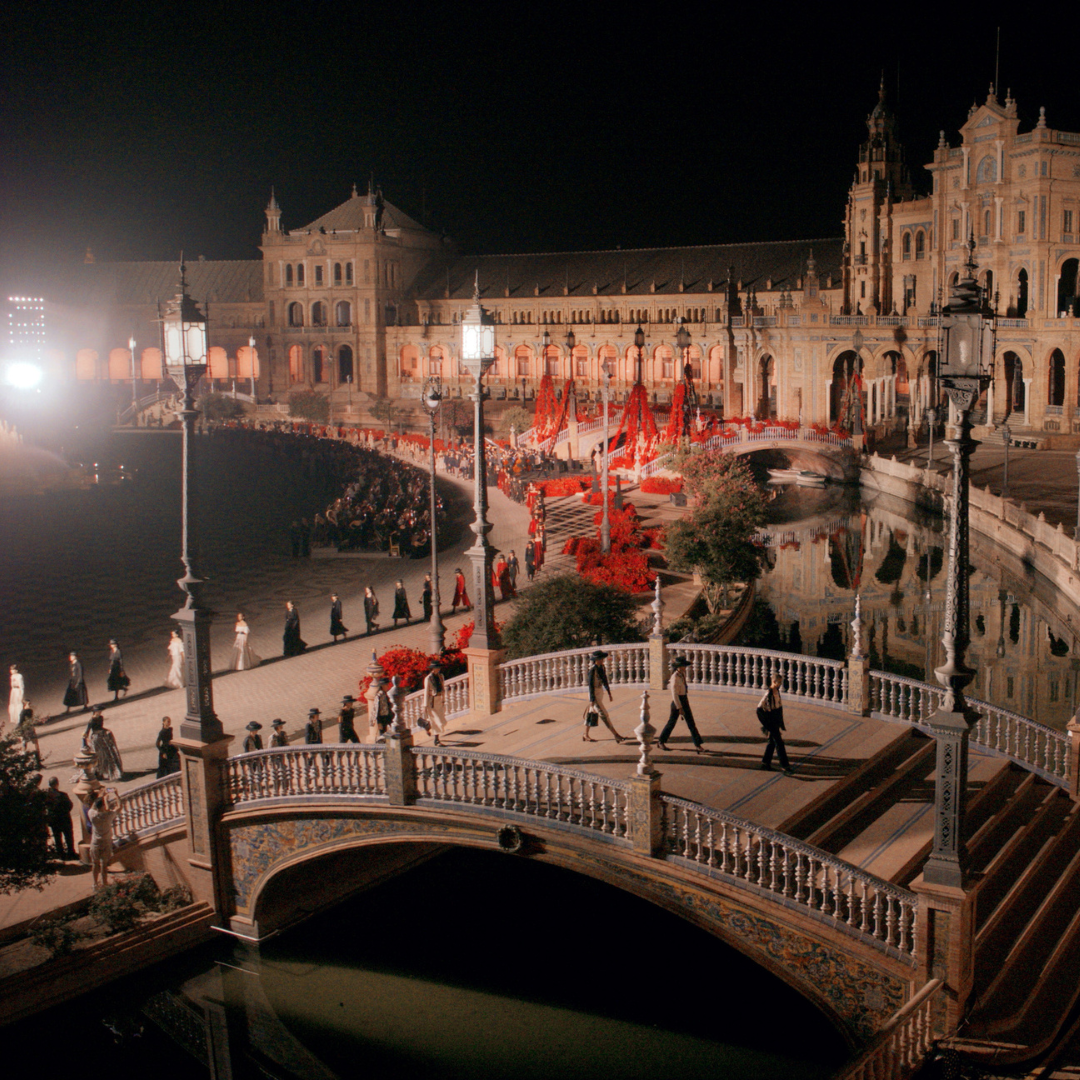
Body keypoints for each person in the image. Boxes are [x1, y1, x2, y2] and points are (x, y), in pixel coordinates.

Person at [657, 656, 705, 753]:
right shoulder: (675, 677)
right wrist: (680, 708)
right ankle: (661, 741)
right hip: (678, 702)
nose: (685, 667)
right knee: (671, 723)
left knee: (691, 723)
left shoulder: (682, 674)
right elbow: (674, 694)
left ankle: (698, 745)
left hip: (684, 699)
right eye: (683, 666)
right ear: (678, 667)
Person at [584, 650, 624, 743]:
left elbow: (604, 680)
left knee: (591, 713)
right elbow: (591, 686)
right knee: (604, 714)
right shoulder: (592, 670)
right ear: (596, 660)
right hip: (594, 695)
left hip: (599, 693)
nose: (602, 660)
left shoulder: (601, 667)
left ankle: (585, 734)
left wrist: (609, 692)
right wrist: (592, 699)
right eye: (600, 659)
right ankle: (616, 735)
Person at [758, 673, 794, 774]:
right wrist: (766, 724)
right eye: (779, 682)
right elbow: (759, 709)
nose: (780, 684)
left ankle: (765, 762)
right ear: (773, 682)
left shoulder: (776, 692)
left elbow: (779, 707)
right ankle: (785, 765)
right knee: (779, 743)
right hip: (771, 722)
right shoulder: (768, 694)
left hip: (776, 720)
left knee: (772, 742)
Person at [89, 788, 121, 888]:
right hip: (106, 842)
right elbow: (119, 807)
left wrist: (101, 796)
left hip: (95, 842)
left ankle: (95, 883)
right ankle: (105, 883)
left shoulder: (92, 815)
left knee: (95, 864)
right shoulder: (108, 816)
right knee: (104, 864)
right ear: (104, 806)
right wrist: (116, 794)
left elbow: (94, 806)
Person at [83, 707, 124, 780]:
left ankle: (108, 771)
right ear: (95, 712)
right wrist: (85, 741)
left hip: (102, 736)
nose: (100, 712)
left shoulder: (101, 718)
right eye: (98, 711)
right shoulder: (91, 720)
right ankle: (97, 772)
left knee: (107, 754)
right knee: (98, 756)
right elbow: (87, 732)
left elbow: (101, 727)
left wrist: (106, 730)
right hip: (96, 738)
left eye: (100, 711)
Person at [44, 777, 76, 861]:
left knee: (57, 837)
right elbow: (69, 806)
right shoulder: (63, 795)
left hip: (54, 820)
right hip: (64, 819)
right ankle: (71, 853)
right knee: (68, 837)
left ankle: (61, 854)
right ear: (57, 784)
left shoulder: (47, 796)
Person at [422, 659, 447, 746]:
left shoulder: (441, 676)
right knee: (437, 722)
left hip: (439, 700)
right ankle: (436, 740)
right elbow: (426, 692)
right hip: (432, 702)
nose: (438, 669)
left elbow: (442, 688)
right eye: (437, 667)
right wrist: (425, 705)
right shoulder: (428, 678)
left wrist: (443, 699)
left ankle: (427, 726)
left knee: (442, 721)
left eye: (439, 667)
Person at [7, 663, 24, 731]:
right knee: (13, 704)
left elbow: (21, 685)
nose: (11, 671)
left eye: (12, 669)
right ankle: (15, 719)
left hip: (17, 691)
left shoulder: (19, 676)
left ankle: (19, 720)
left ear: (16, 670)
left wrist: (21, 694)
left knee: (18, 704)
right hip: (13, 691)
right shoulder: (12, 676)